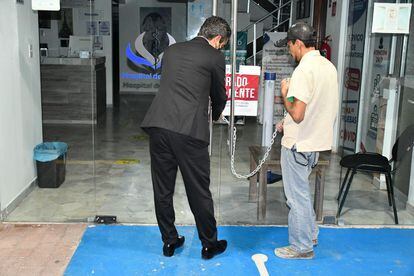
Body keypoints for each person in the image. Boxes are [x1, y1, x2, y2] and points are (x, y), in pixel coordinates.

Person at [141, 16, 231, 260]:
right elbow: (219, 95)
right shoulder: (214, 56)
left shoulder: (172, 50)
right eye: (222, 44)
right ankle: (208, 244)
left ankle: (169, 241)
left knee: (162, 189)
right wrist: (216, 114)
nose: (221, 48)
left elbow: (174, 85)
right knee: (198, 190)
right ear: (217, 39)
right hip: (190, 130)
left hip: (159, 124)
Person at [274, 22, 339, 259]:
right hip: (315, 143)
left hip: (297, 144)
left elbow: (298, 114)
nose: (289, 51)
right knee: (302, 192)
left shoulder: (303, 70)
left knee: (296, 197)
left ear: (298, 43)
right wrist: (286, 120)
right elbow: (314, 105)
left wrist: (284, 94)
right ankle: (310, 234)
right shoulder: (328, 67)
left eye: (290, 45)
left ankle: (302, 247)